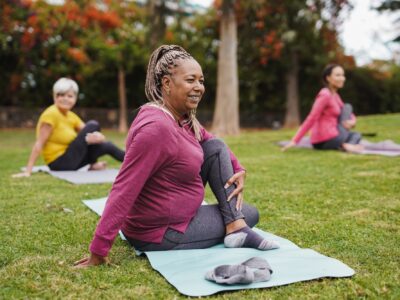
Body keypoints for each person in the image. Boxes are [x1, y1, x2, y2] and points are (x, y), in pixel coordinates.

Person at [74, 45, 279, 268]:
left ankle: (235, 226)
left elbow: (210, 140)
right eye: (191, 80)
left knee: (215, 146)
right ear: (167, 84)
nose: (199, 87)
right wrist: (98, 251)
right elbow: (124, 188)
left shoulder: (179, 118)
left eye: (201, 81)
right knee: (250, 213)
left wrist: (239, 168)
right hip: (160, 232)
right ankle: (236, 226)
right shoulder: (156, 128)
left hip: (175, 216)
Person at [12, 78, 125, 177]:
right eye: (61, 95)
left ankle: (136, 162)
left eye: (69, 96)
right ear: (55, 97)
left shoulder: (71, 116)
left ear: (75, 98)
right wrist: (28, 171)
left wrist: (98, 137)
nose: (65, 99)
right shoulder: (51, 114)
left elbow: (88, 132)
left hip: (73, 159)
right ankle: (93, 164)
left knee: (107, 145)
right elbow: (39, 143)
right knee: (93, 124)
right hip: (58, 163)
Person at [282, 64, 363, 153]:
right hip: (325, 139)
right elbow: (311, 118)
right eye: (338, 75)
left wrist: (353, 121)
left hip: (335, 135)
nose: (342, 78)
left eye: (343, 75)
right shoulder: (325, 95)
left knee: (356, 133)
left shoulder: (335, 95)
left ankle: (346, 145)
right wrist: (295, 140)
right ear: (328, 78)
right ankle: (345, 145)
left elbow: (348, 112)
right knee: (348, 107)